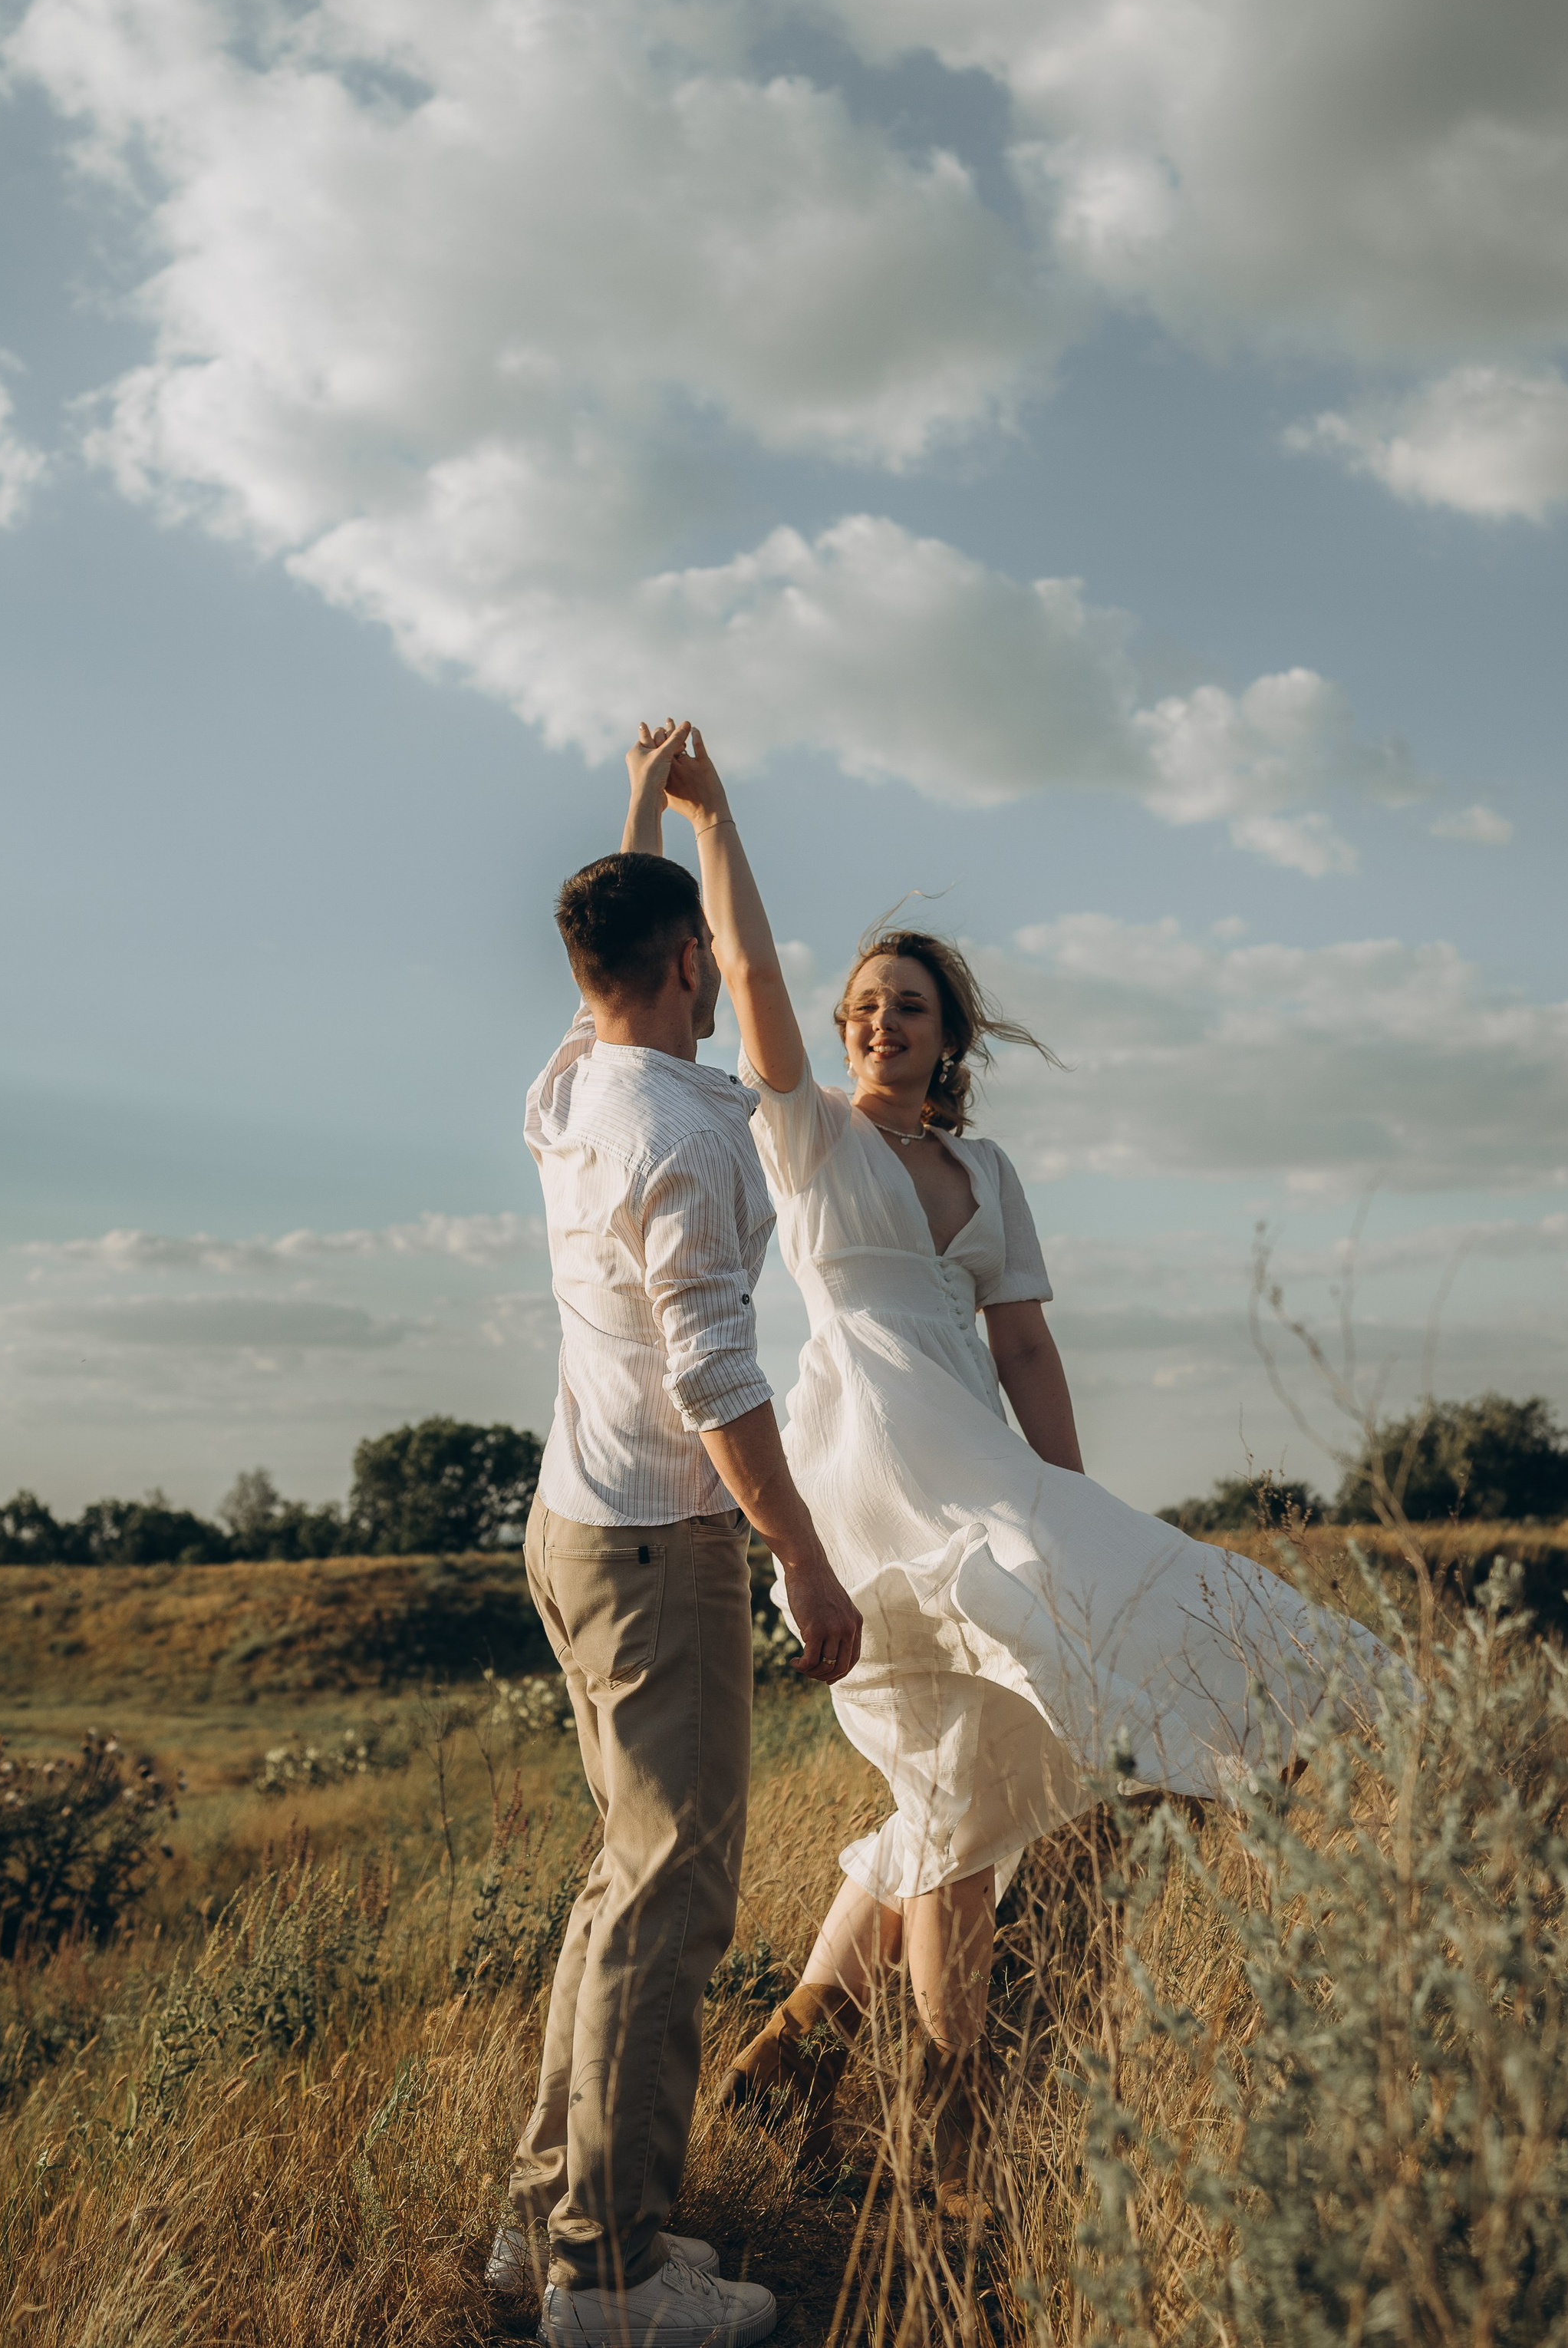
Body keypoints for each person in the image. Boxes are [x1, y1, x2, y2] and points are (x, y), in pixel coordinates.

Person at [621, 718, 1395, 2208]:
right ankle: (952, 2122)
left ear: (946, 1035)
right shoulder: (800, 1135)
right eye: (860, 1006)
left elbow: (1028, 1352)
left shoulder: (989, 1176)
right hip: (869, 1471)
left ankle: (802, 2040)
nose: (874, 1024)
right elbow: (751, 973)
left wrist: (1080, 1495)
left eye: (902, 1007)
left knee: (969, 1775)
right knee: (963, 1771)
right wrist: (706, 820)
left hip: (977, 1454)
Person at [492, 820, 861, 2346]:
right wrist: (799, 1551)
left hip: (570, 1526)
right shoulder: (680, 1131)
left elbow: (604, 971)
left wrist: (642, 815)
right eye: (699, 950)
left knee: (616, 1881)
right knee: (669, 1901)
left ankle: (549, 2223)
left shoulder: (571, 1087)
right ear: (679, 960)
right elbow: (716, 1370)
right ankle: (614, 2275)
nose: (716, 968)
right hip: (657, 1541)